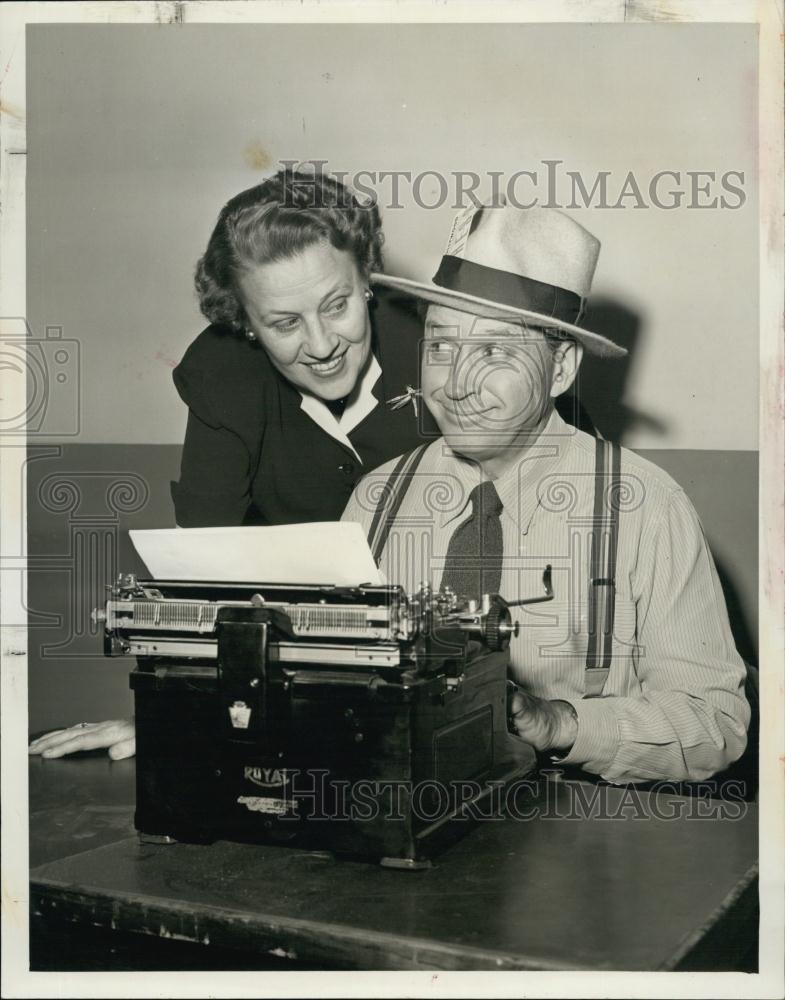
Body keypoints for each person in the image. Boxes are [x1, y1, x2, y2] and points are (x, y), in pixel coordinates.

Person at [29, 167, 436, 761]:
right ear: (245, 323)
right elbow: (204, 569)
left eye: (337, 305)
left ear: (368, 277)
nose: (322, 345)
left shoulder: (439, 345)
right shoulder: (221, 376)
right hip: (301, 678)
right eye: (284, 323)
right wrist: (181, 713)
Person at [342, 201, 750, 784]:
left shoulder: (644, 506)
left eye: (497, 352)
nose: (455, 384)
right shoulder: (375, 502)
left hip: (582, 837)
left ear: (561, 371)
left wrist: (560, 724)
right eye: (440, 344)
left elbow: (717, 726)